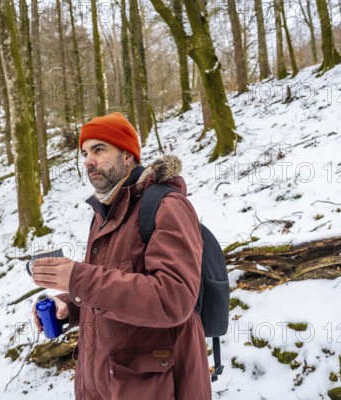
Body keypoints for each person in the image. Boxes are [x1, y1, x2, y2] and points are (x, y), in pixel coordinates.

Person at [31, 112, 211, 399]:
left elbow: (173, 299)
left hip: (154, 387)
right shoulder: (103, 214)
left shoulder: (166, 206)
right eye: (85, 153)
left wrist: (77, 278)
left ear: (128, 156)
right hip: (101, 385)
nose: (89, 160)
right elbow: (109, 290)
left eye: (99, 149)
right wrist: (70, 305)